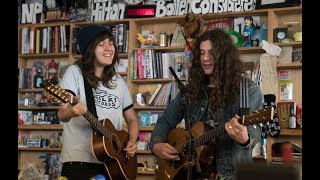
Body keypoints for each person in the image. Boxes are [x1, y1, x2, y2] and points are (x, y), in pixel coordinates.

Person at [149, 28, 263, 180]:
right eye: (202, 53)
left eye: (211, 53)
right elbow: (164, 122)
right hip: (193, 174)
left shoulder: (248, 90)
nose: (205, 58)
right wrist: (156, 145)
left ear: (224, 56)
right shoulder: (191, 90)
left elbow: (253, 134)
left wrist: (245, 139)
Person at [57, 25, 139, 180]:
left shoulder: (118, 80)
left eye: (111, 43)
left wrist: (132, 141)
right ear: (89, 50)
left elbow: (132, 119)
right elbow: (62, 114)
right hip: (80, 163)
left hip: (114, 163)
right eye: (101, 44)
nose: (109, 48)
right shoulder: (74, 72)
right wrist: (71, 111)